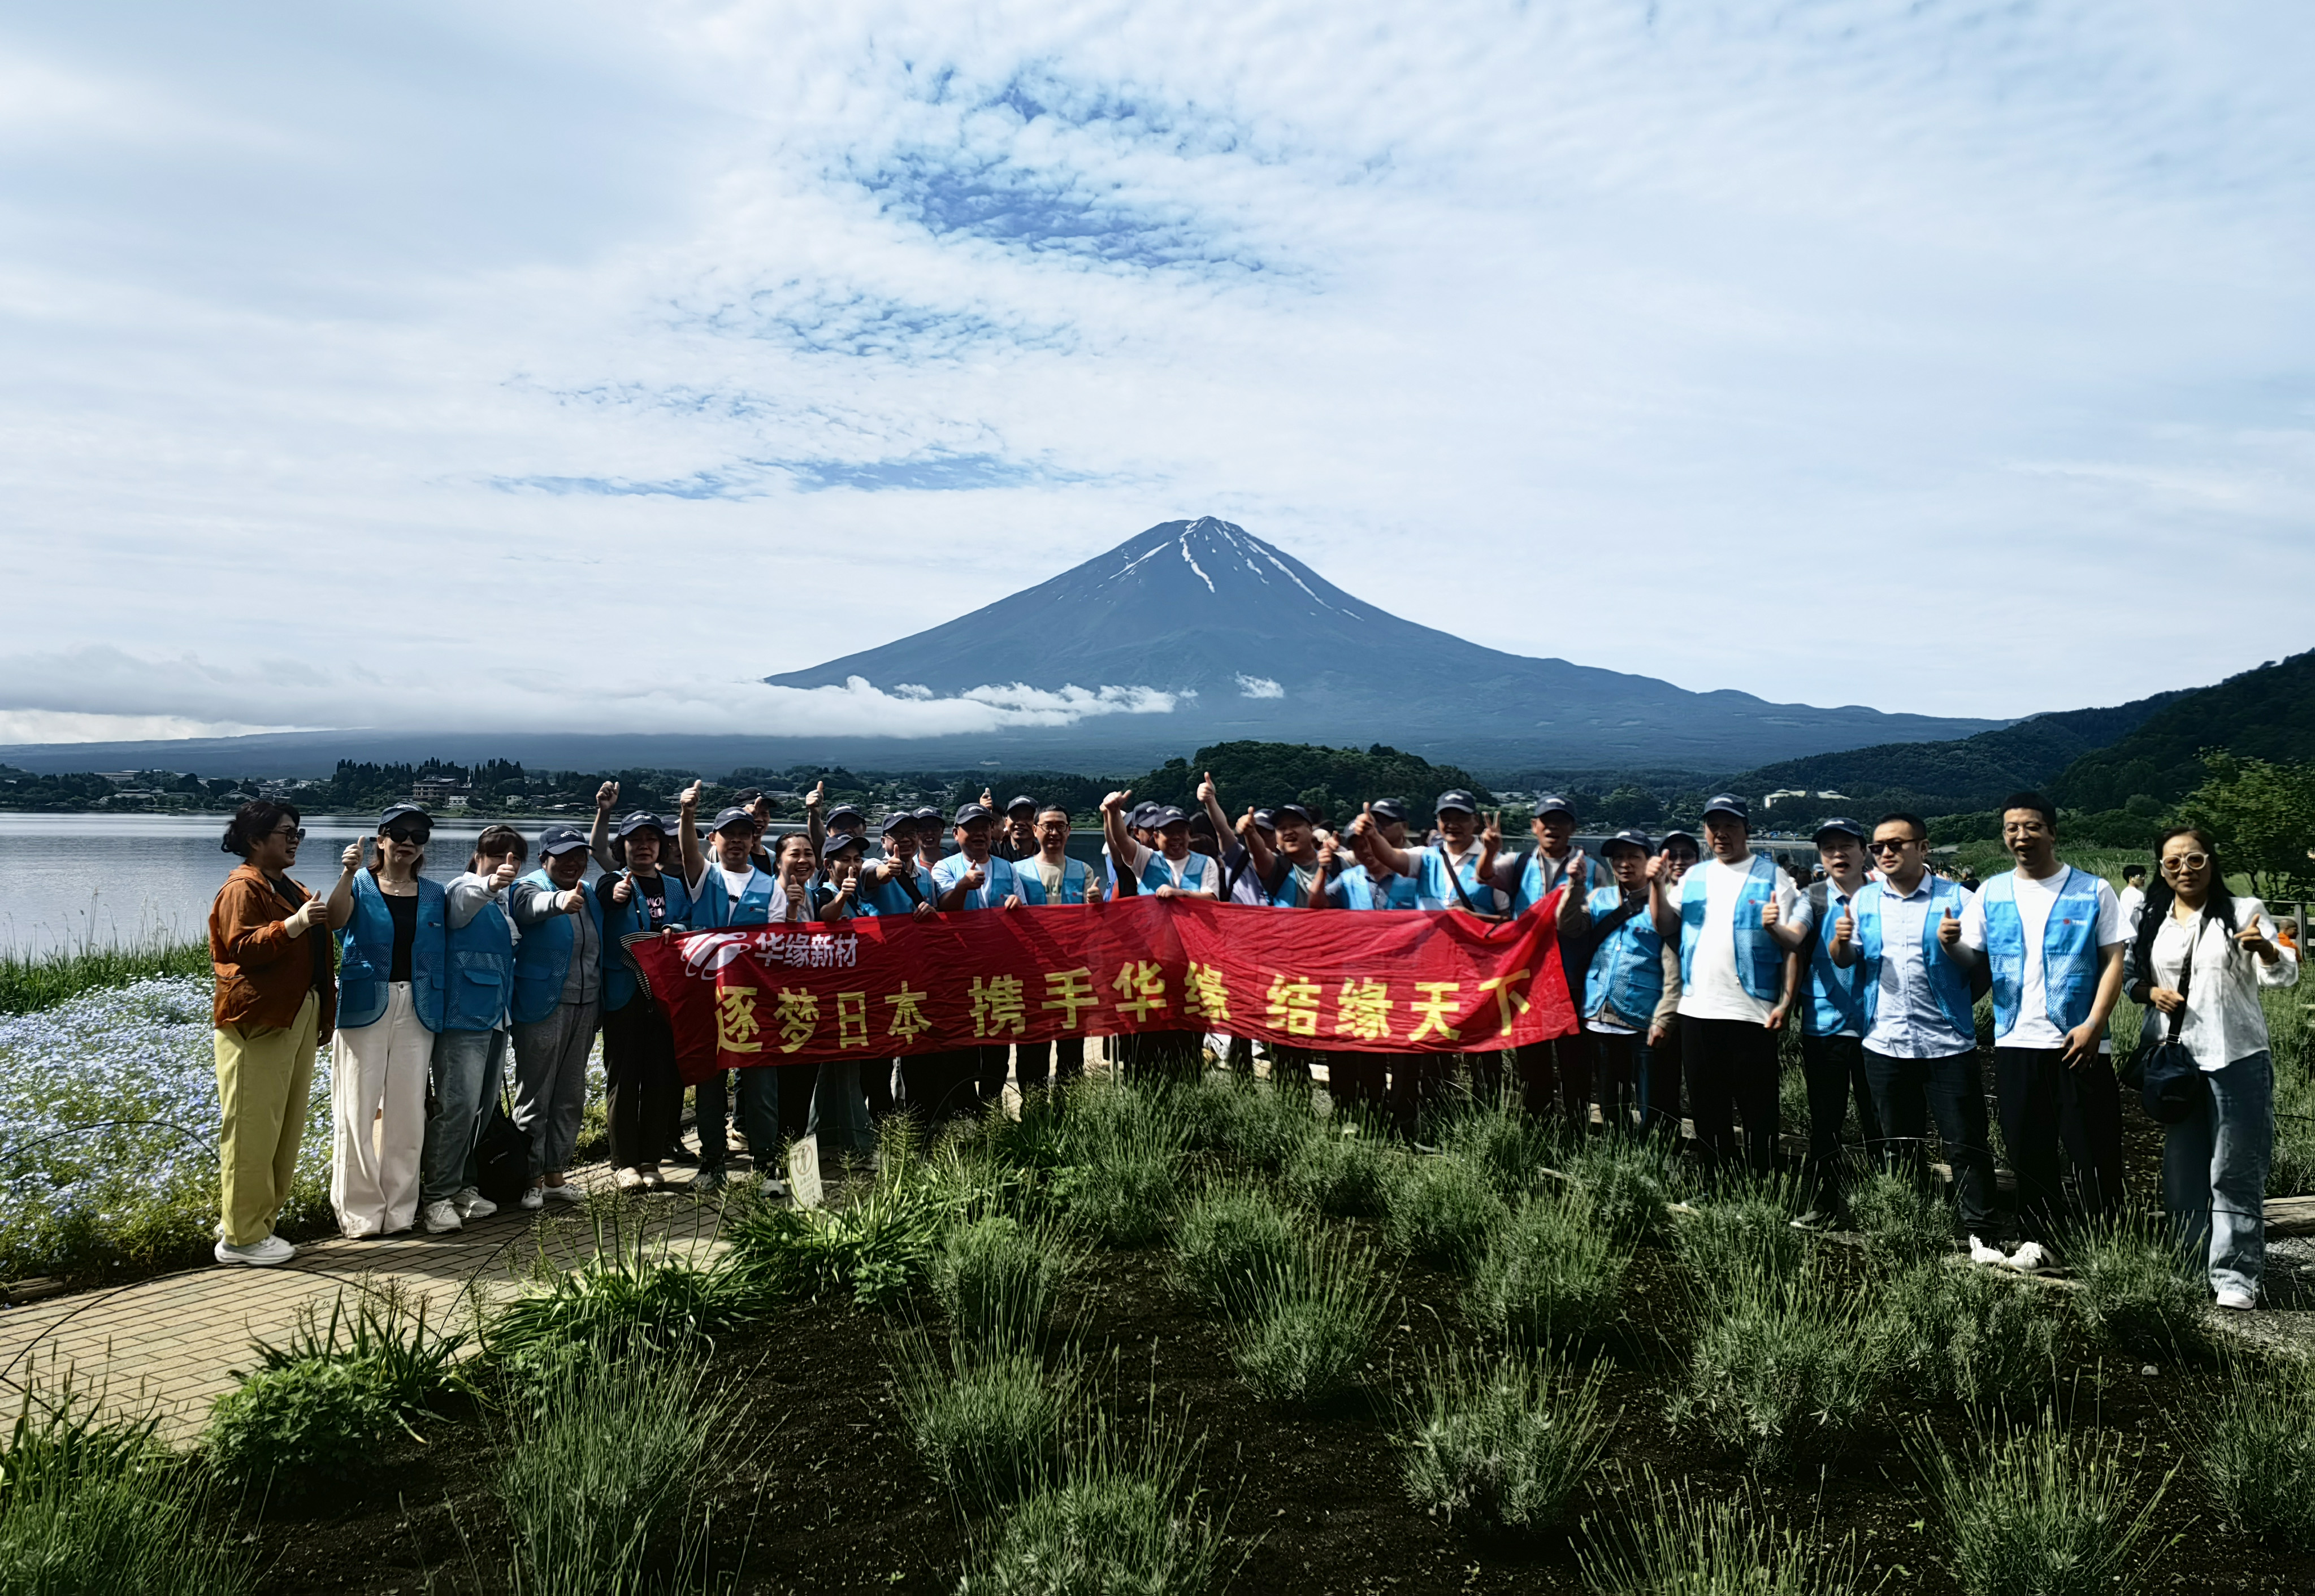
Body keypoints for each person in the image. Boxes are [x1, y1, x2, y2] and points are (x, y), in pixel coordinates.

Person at [2125, 827, 2297, 1310]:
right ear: (2161, 868)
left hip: (2237, 1056)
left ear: (2211, 862)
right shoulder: (2153, 916)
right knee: (2181, 1170)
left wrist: (2264, 949)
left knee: (2235, 1169)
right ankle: (2188, 1262)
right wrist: (2150, 994)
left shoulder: (2246, 911)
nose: (2185, 870)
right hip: (2177, 1061)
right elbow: (2134, 978)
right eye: (2173, 862)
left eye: (2195, 860)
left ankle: (2236, 1275)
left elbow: (2284, 970)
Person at [1951, 792, 2130, 1244]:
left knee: (2094, 1148)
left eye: (2032, 826)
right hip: (2015, 1040)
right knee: (2027, 1149)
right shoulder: (1991, 892)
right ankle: (2040, 1239)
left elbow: (2114, 961)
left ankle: (2106, 1240)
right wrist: (1947, 941)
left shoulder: (2094, 890)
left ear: (2052, 831)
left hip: (2081, 1041)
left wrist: (2094, 1024)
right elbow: (1970, 956)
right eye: (2012, 828)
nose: (2021, 836)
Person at [1832, 814, 1992, 1246]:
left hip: (1947, 1043)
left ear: (1923, 848)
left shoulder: (1958, 898)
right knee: (1897, 1142)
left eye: (1897, 844)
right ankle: (1908, 1222)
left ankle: (1980, 1231)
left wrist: (1952, 958)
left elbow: (1980, 967)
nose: (1886, 852)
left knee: (1965, 1141)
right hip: (1884, 1043)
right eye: (1879, 845)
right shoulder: (1864, 901)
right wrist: (1839, 941)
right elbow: (1848, 961)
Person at [209, 800, 336, 1265]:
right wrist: (295, 924)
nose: (295, 839)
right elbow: (243, 947)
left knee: (283, 1128)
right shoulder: (242, 887)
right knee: (252, 1131)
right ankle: (241, 1238)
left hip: (294, 1016)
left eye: (298, 832)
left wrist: (323, 1015)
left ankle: (258, 1224)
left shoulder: (289, 885)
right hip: (258, 1022)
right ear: (254, 840)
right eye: (286, 832)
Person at [1650, 794, 1796, 1175]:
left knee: (1758, 1107)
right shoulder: (1694, 876)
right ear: (1705, 831)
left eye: (1731, 825)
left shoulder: (1772, 876)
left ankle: (1764, 1182)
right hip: (1697, 1010)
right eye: (1714, 826)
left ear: (1746, 829)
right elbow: (1666, 924)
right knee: (1706, 1106)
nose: (1721, 834)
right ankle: (1717, 1181)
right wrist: (1657, 885)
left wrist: (1786, 1001)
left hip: (1753, 1012)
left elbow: (1795, 942)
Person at [322, 805, 447, 1238]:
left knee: (408, 1112)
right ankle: (359, 1212)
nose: (409, 842)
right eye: (399, 833)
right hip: (364, 1005)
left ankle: (400, 1210)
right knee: (356, 1108)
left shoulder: (435, 894)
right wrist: (345, 873)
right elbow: (335, 920)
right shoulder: (359, 883)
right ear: (381, 839)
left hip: (418, 1006)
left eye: (419, 835)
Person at [1351, 790, 1506, 1126]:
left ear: (1475, 822)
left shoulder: (1494, 862)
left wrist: (1471, 918)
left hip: (1478, 972)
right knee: (1428, 1038)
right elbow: (1391, 858)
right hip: (1429, 970)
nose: (1453, 824)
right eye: (1446, 817)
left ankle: (1487, 1122)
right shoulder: (1427, 857)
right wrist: (1372, 833)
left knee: (1482, 1047)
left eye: (1462, 817)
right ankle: (1420, 1116)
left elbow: (1512, 924)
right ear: (1437, 821)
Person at [1780, 819, 1887, 1230]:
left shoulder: (1884, 896)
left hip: (1879, 1026)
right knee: (1826, 1122)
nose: (1838, 854)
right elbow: (1795, 937)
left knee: (1878, 1121)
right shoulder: (1814, 897)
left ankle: (1884, 1204)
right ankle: (1824, 1204)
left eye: (1847, 846)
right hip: (1824, 1026)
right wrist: (1774, 926)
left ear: (1865, 851)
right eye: (1829, 849)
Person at [419, 824, 521, 1233]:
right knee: (456, 1105)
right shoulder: (463, 888)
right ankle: (436, 1197)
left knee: (480, 1107)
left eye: (514, 856)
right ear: (477, 857)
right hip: (463, 1015)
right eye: (496, 854)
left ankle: (464, 1185)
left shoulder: (505, 903)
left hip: (497, 1014)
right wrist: (491, 883)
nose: (504, 863)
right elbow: (462, 906)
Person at [592, 799, 693, 1194]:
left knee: (660, 1078)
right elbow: (605, 897)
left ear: (661, 847)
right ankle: (623, 1163)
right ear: (624, 848)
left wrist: (678, 926)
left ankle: (651, 1159)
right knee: (623, 1077)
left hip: (665, 995)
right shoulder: (612, 880)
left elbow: (690, 922)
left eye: (652, 839)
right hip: (624, 993)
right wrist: (615, 893)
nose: (644, 846)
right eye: (635, 841)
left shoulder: (673, 886)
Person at [1497, 793, 1612, 1126]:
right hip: (1528, 981)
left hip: (1573, 979)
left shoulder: (1593, 870)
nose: (1553, 827)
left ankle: (1576, 1130)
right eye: (1546, 821)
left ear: (1572, 828)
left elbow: (1600, 922)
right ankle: (1537, 1129)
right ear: (1534, 827)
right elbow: (1484, 880)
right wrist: (1490, 850)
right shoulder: (1516, 864)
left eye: (1561, 821)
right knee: (1532, 1062)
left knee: (1575, 1063)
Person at [506, 824, 602, 1209]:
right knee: (536, 1093)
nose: (573, 863)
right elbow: (528, 911)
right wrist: (559, 904)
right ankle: (528, 1178)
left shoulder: (590, 893)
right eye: (563, 856)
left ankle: (555, 1175)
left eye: (579, 856)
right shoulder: (528, 886)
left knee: (570, 1095)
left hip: (586, 1002)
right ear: (544, 858)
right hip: (542, 1004)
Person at [1566, 830, 1665, 1138]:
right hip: (1600, 1012)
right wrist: (1575, 887)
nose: (1625, 864)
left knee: (1651, 1097)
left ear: (1649, 862)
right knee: (1611, 1095)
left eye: (1634, 857)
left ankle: (1652, 1156)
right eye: (1618, 858)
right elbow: (1569, 928)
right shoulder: (1599, 898)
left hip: (1644, 1014)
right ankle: (1616, 1152)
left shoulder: (1662, 903)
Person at [801, 832, 879, 1162]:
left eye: (857, 859)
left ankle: (819, 1137)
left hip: (856, 993)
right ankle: (861, 1145)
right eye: (844, 859)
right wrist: (842, 899)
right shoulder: (823, 892)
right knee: (844, 1070)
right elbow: (825, 916)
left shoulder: (860, 895)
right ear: (828, 865)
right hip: (831, 997)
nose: (852, 865)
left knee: (835, 1071)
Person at [1013, 803, 1100, 1092]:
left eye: (1060, 826)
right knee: (1032, 1048)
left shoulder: (1084, 871)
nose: (1054, 832)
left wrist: (1097, 906)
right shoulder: (1018, 872)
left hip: (1072, 973)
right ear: (1035, 830)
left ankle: (1069, 1112)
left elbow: (1094, 926)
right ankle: (1034, 1114)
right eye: (1047, 826)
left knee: (1072, 1049)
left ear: (1069, 831)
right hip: (1032, 974)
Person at [2117, 864, 2148, 935]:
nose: (2143, 879)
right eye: (2140, 876)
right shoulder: (2139, 894)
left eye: (2144, 876)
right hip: (2135, 933)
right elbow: (2140, 917)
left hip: (2125, 932)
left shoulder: (2124, 893)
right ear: (2131, 878)